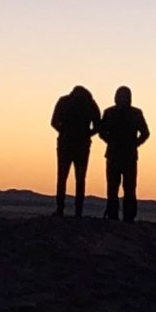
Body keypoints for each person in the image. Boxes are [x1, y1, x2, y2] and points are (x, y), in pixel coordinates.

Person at [97, 85, 150, 222]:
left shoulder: (127, 113)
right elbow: (101, 132)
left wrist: (132, 144)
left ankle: (124, 215)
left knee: (124, 187)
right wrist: (132, 144)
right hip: (121, 154)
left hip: (123, 155)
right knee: (119, 187)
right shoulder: (116, 113)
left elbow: (145, 133)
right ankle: (120, 215)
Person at [50, 85, 100, 217]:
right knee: (80, 178)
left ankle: (60, 209)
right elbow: (98, 126)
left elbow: (54, 122)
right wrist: (86, 134)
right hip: (81, 145)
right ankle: (78, 211)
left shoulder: (64, 101)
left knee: (62, 177)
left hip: (66, 144)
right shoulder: (90, 104)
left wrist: (65, 132)